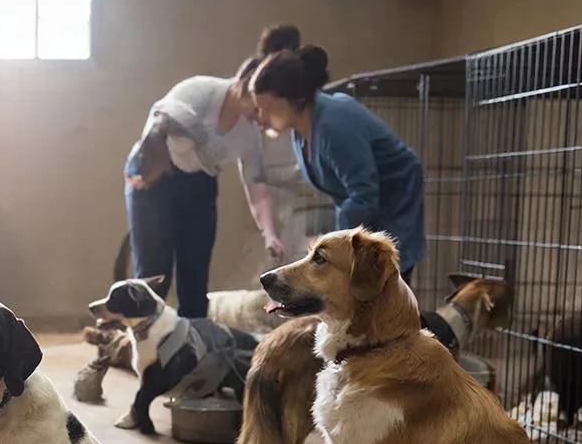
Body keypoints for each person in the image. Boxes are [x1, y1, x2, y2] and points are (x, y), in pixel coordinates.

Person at [123, 27, 305, 319]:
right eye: (256, 104)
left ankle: (194, 346)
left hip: (199, 185)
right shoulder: (201, 90)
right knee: (154, 272)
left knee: (194, 275)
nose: (259, 116)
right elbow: (161, 121)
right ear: (242, 84)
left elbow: (256, 183)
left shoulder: (250, 129)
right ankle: (143, 348)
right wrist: (196, 149)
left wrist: (269, 233)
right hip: (156, 173)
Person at [247, 38, 426, 282]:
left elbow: (363, 194)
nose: (260, 118)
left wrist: (332, 245)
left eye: (265, 108)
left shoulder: (334, 126)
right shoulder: (300, 130)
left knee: (384, 288)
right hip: (366, 209)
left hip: (394, 201)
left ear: (294, 98)